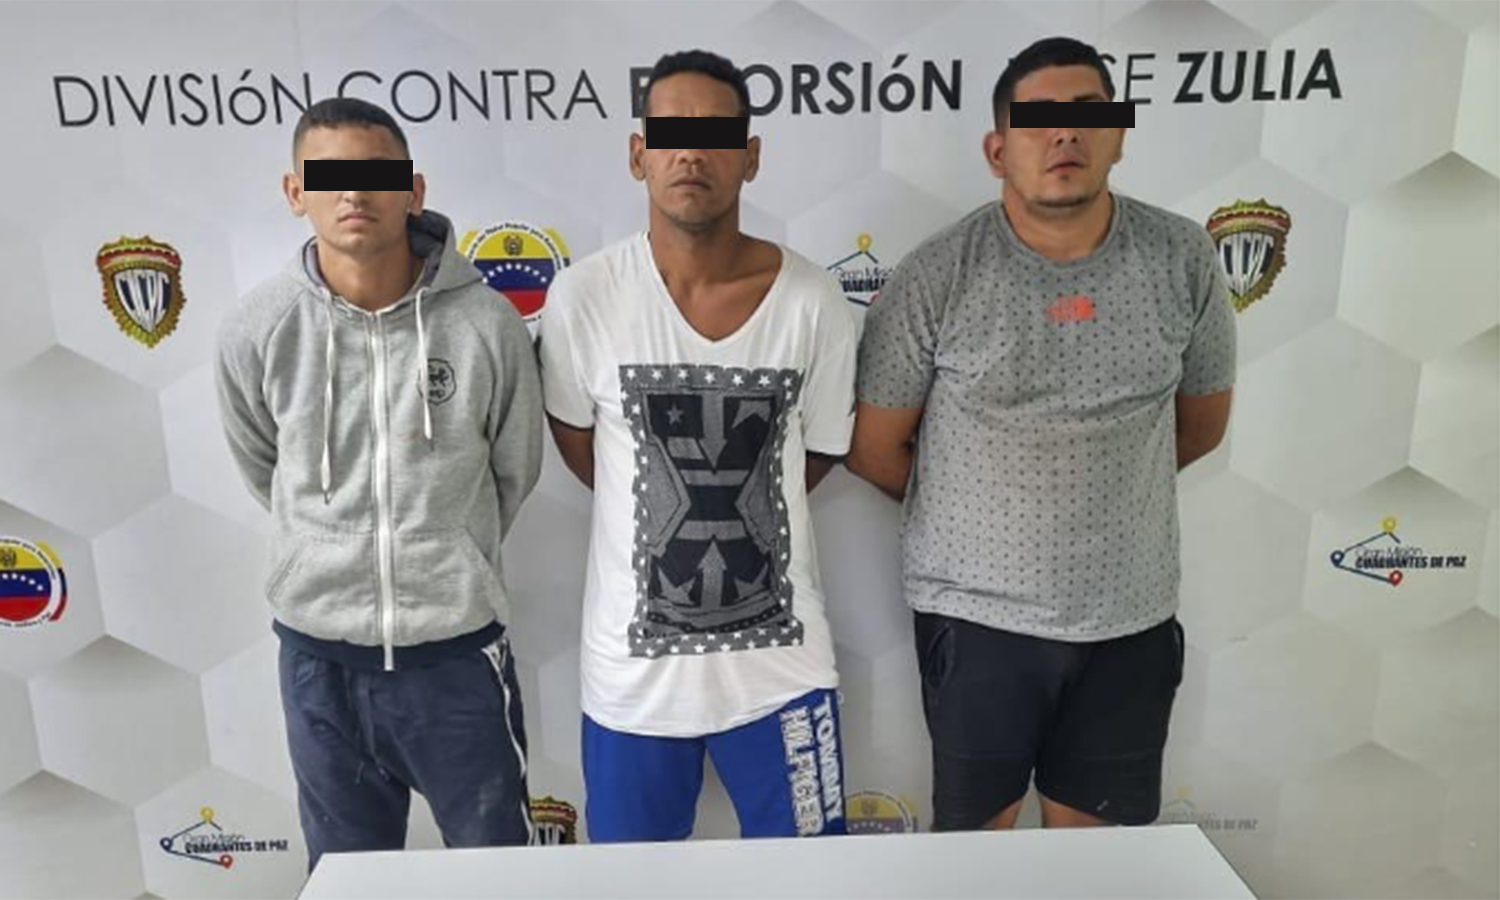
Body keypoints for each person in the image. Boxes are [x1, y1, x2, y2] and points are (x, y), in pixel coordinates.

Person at [849, 36, 1236, 831]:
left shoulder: (1184, 258)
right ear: (998, 150)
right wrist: (983, 516)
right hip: (978, 625)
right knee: (977, 859)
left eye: (1087, 115)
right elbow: (876, 449)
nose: (1064, 134)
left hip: (1129, 621)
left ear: (1118, 134)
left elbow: (1198, 427)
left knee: (1094, 867)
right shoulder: (938, 274)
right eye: (1037, 120)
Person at [537, 50, 858, 842]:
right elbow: (588, 454)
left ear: (750, 157)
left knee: (816, 887)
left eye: (714, 135)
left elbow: (813, 457)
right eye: (670, 134)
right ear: (638, 153)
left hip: (783, 676)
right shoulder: (584, 296)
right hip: (632, 685)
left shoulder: (813, 299)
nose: (691, 154)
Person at [215, 97, 543, 868]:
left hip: (456, 659)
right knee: (347, 875)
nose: (354, 193)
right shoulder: (260, 327)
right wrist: (325, 550)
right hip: (320, 664)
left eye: (375, 175)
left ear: (414, 190)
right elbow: (262, 464)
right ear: (295, 191)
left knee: (500, 872)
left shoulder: (486, 323)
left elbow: (514, 467)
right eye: (329, 176)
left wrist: (447, 551)